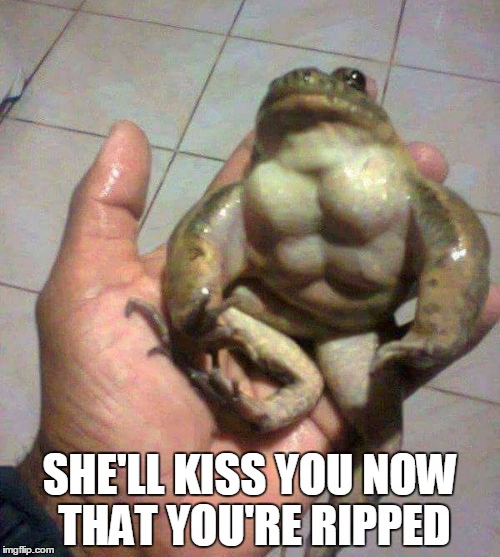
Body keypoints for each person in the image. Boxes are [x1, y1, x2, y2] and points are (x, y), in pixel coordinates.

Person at [2, 120, 499, 557]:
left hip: (352, 330)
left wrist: (437, 325)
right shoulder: (263, 187)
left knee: (379, 439)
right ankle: (260, 414)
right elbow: (209, 241)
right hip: (259, 305)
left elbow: (455, 246)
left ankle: (330, 529)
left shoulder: (400, 193)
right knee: (313, 389)